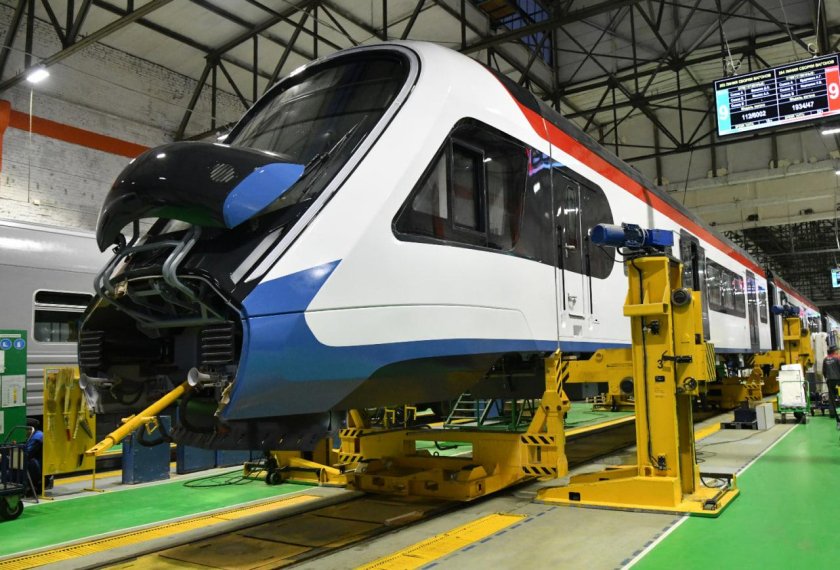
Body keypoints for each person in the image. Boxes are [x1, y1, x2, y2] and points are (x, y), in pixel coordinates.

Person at [821, 347, 840, 428]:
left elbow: (823, 371)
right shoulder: (837, 358)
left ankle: (832, 413)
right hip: (838, 380)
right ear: (834, 351)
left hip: (829, 381)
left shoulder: (825, 359)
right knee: (839, 395)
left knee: (831, 397)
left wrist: (827, 378)